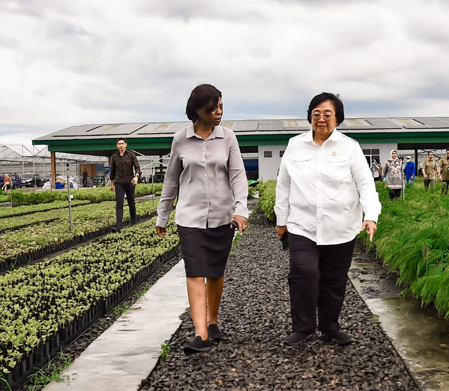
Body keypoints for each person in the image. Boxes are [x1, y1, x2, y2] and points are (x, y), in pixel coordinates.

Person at [274, 92, 380, 346]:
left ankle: (330, 327)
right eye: (316, 114)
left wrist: (371, 216)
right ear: (310, 117)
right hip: (302, 224)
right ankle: (303, 327)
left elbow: (365, 183)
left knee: (334, 279)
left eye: (327, 114)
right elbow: (283, 183)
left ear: (337, 119)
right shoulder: (295, 144)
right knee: (303, 272)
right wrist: (281, 219)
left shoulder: (350, 147)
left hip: (340, 225)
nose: (321, 119)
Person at [155, 84, 248, 354]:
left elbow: (238, 176)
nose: (219, 112)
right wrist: (163, 216)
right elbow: (171, 179)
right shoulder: (180, 139)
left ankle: (213, 321)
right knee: (195, 271)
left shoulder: (228, 138)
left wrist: (241, 209)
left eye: (221, 106)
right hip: (190, 216)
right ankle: (201, 333)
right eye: (214, 107)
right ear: (198, 110)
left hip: (222, 215)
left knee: (216, 272)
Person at [110, 138, 141, 230]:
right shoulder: (114, 157)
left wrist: (136, 176)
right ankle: (119, 225)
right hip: (119, 183)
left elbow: (137, 167)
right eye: (119, 144)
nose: (121, 145)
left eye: (122, 143)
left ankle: (133, 221)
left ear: (126, 145)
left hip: (129, 182)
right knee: (119, 203)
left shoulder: (131, 155)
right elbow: (112, 171)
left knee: (131, 202)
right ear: (117, 145)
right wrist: (111, 184)